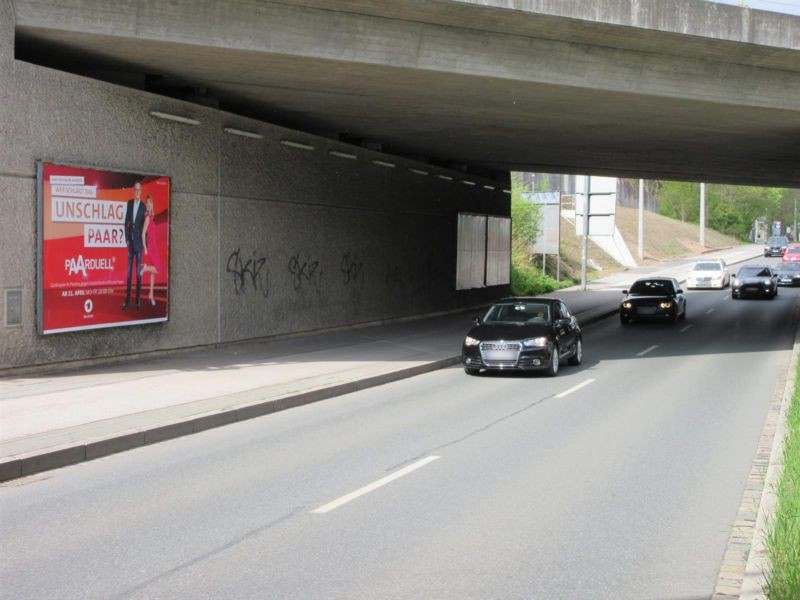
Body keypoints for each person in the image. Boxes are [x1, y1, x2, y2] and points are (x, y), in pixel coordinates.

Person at [122, 181, 146, 309]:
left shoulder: (143, 207)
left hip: (139, 245)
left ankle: (137, 301)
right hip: (130, 243)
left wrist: (144, 244)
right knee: (129, 273)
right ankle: (127, 300)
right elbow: (126, 222)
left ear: (141, 192)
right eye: (135, 190)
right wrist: (126, 239)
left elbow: (145, 227)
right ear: (134, 191)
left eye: (139, 190)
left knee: (138, 273)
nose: (137, 192)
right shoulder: (130, 203)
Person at [140, 195, 162, 307]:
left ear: (152, 204)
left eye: (150, 203)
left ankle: (151, 295)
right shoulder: (148, 217)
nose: (149, 204)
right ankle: (145, 268)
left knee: (153, 274)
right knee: (158, 269)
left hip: (154, 246)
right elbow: (143, 233)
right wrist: (145, 247)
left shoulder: (151, 216)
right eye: (147, 203)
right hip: (151, 248)